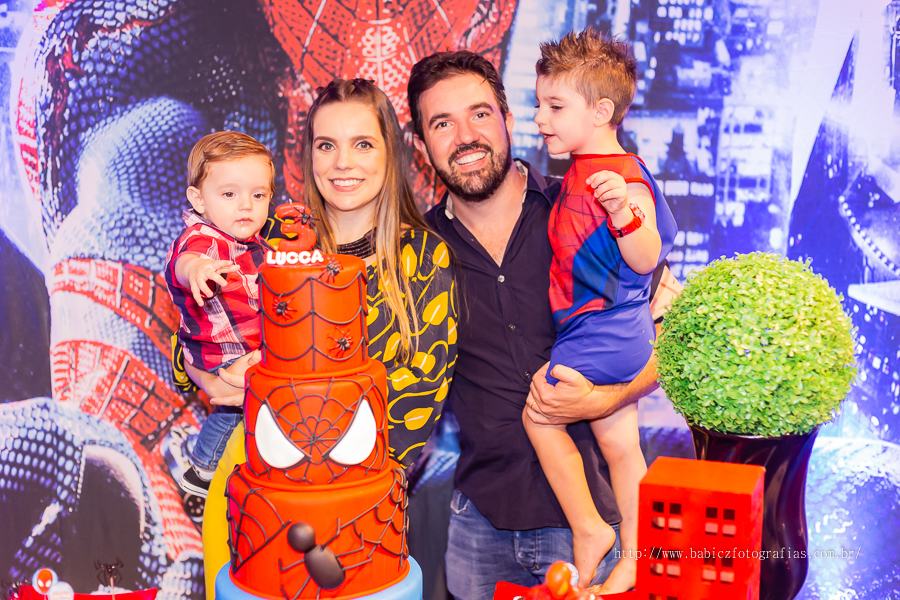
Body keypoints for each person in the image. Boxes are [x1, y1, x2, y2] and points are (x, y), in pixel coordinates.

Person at [408, 50, 680, 599]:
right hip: (476, 529)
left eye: (479, 113)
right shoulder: (416, 253)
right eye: (442, 123)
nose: (465, 135)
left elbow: (673, 340)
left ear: (508, 120)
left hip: (595, 531)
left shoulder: (584, 207)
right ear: (422, 146)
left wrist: (606, 400)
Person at [184, 78, 458, 596]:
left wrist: (331, 499)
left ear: (390, 151)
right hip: (256, 494)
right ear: (306, 154)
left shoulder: (422, 258)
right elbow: (194, 336)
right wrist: (209, 372)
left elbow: (419, 398)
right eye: (326, 145)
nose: (342, 163)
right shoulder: (271, 240)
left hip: (354, 523)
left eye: (362, 144)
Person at [526, 29, 677, 591]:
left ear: (602, 110)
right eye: (540, 103)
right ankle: (638, 556)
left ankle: (591, 528)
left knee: (539, 413)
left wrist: (625, 214)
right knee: (619, 446)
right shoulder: (586, 169)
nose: (541, 118)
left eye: (556, 106)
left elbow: (645, 256)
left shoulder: (620, 176)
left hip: (602, 331)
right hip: (605, 329)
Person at [163, 131, 275, 499]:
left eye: (258, 196)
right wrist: (195, 271)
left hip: (242, 344)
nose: (246, 206)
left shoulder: (256, 242)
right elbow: (187, 259)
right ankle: (203, 468)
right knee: (237, 406)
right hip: (220, 351)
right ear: (199, 199)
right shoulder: (205, 237)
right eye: (229, 195)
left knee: (248, 408)